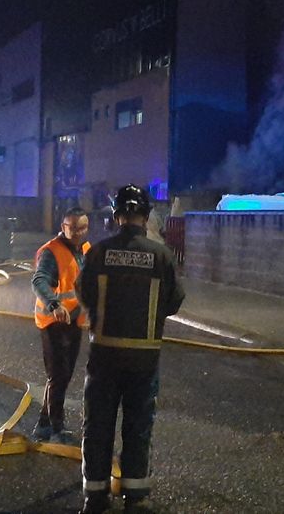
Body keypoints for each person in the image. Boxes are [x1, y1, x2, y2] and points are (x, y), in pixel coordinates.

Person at [77, 184, 184, 514]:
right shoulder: (162, 256)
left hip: (105, 356)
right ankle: (135, 497)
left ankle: (96, 496)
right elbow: (174, 302)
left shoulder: (97, 252)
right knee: (138, 426)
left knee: (98, 425)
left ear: (116, 215)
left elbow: (83, 295)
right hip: (144, 358)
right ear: (146, 215)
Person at [30, 206, 91, 443]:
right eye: (72, 227)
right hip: (53, 321)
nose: (77, 232)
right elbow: (39, 280)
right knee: (58, 375)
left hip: (74, 320)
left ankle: (44, 422)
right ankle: (56, 428)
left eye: (82, 228)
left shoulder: (86, 249)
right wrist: (55, 305)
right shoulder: (51, 252)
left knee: (63, 375)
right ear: (63, 227)